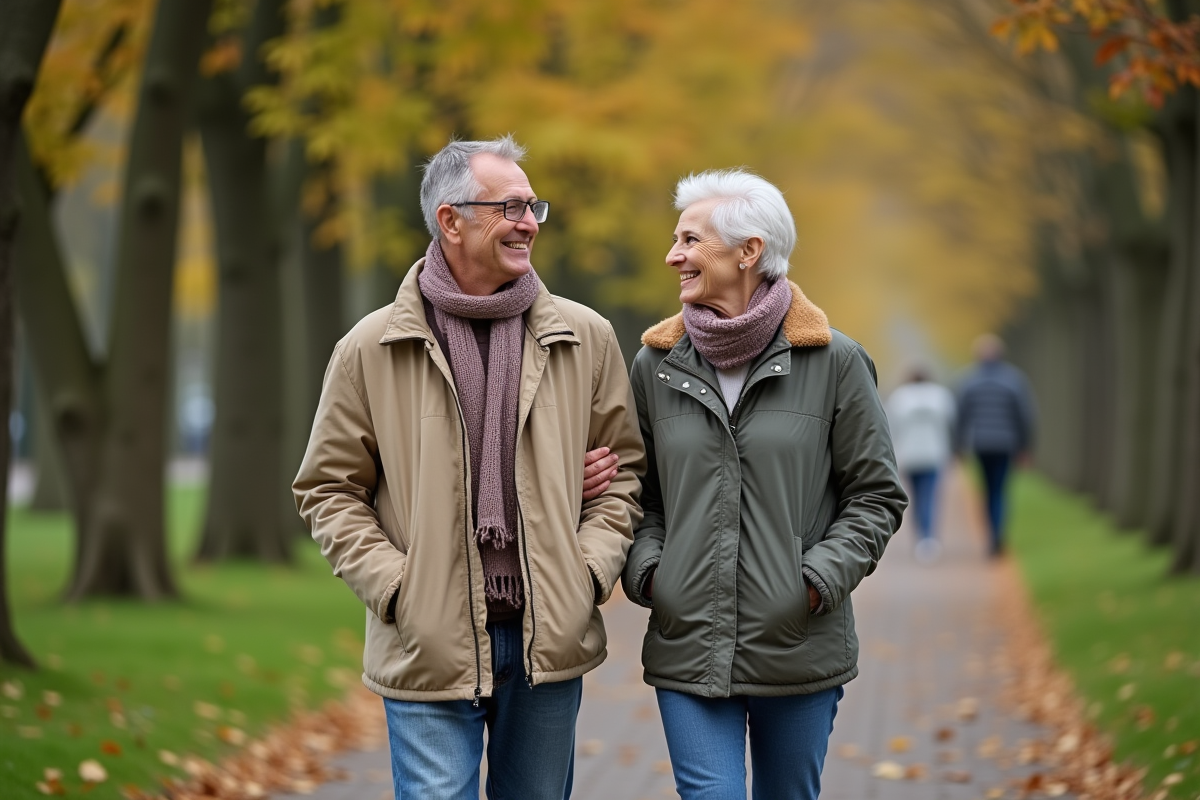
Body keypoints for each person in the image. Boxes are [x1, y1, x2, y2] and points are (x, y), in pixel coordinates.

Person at [293, 136, 645, 800]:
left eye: (533, 206)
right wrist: (398, 587)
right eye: (509, 207)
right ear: (450, 220)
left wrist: (587, 572)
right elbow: (328, 488)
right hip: (428, 643)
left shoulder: (586, 337)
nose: (529, 221)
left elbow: (623, 473)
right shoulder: (370, 347)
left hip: (546, 641)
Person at [620, 169, 907, 800]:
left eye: (690, 240)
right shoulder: (653, 364)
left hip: (798, 643)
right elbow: (638, 493)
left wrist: (813, 583)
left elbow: (876, 495)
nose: (673, 256)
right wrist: (653, 575)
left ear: (749, 251)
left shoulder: (834, 361)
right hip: (687, 644)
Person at [955, 333, 1036, 558]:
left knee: (988, 490)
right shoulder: (1014, 380)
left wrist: (959, 445)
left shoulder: (969, 380)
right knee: (1000, 490)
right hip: (1006, 444)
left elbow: (961, 415)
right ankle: (997, 535)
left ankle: (992, 535)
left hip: (981, 444)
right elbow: (1025, 415)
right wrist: (1025, 446)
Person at [886, 366, 956, 563]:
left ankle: (920, 535)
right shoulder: (941, 396)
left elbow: (891, 426)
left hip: (909, 455)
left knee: (915, 497)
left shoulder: (900, 397)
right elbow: (950, 422)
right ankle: (928, 537)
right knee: (930, 496)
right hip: (934, 454)